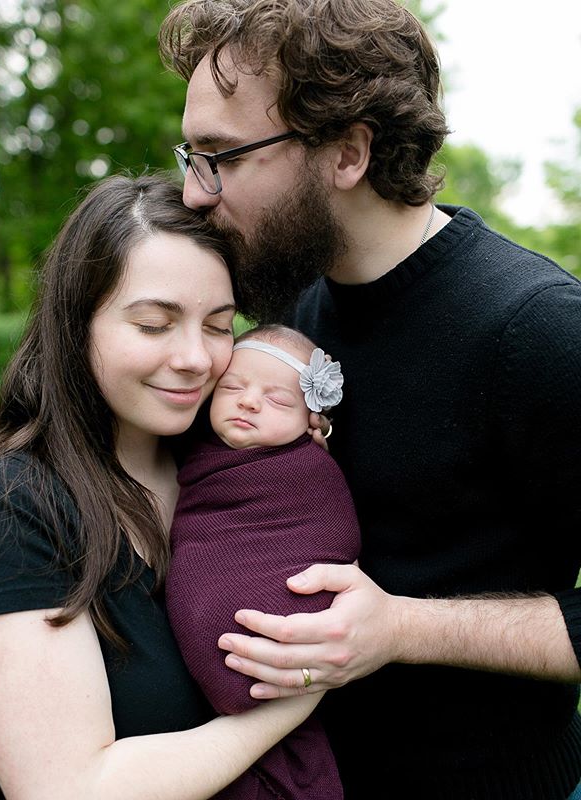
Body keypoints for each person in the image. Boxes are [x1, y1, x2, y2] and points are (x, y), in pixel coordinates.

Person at [158, 1, 581, 798]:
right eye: (192, 153)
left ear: (347, 153)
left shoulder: (539, 330)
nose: (192, 193)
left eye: (221, 155)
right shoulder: (289, 317)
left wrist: (404, 628)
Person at [0, 173, 325, 800]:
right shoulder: (10, 503)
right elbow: (67, 789)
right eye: (154, 325)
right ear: (76, 324)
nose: (196, 359)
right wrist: (297, 695)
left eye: (219, 325)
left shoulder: (225, 466)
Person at [166, 323, 361, 799]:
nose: (248, 401)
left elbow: (332, 537)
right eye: (232, 387)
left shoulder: (308, 474)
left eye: (277, 400)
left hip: (275, 647)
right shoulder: (189, 452)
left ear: (313, 422)